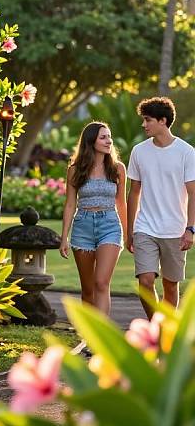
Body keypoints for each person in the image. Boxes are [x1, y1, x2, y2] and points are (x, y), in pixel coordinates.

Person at [127, 97, 195, 319]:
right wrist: (130, 230)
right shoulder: (138, 151)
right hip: (145, 227)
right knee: (145, 281)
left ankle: (166, 331)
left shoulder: (186, 152)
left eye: (148, 120)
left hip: (175, 230)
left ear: (163, 120)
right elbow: (134, 192)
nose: (144, 125)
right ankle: (154, 326)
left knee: (170, 286)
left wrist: (190, 228)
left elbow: (193, 193)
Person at [60, 122, 127, 316]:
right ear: (91, 141)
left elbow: (121, 203)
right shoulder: (75, 170)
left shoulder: (117, 169)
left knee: (101, 283)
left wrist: (128, 234)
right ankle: (89, 336)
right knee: (88, 290)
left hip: (110, 226)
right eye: (103, 137)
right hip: (83, 227)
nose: (109, 141)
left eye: (109, 136)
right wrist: (64, 237)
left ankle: (101, 340)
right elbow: (70, 204)